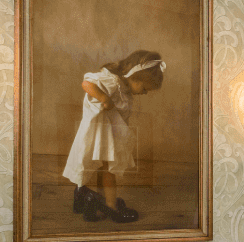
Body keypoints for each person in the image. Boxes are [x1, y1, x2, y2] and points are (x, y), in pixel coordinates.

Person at [62, 50, 166, 223]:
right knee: (108, 168)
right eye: (145, 88)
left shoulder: (123, 88)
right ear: (136, 78)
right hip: (100, 133)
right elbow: (87, 84)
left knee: (95, 165)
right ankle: (111, 207)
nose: (145, 93)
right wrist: (103, 97)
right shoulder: (113, 82)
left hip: (107, 134)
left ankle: (82, 198)